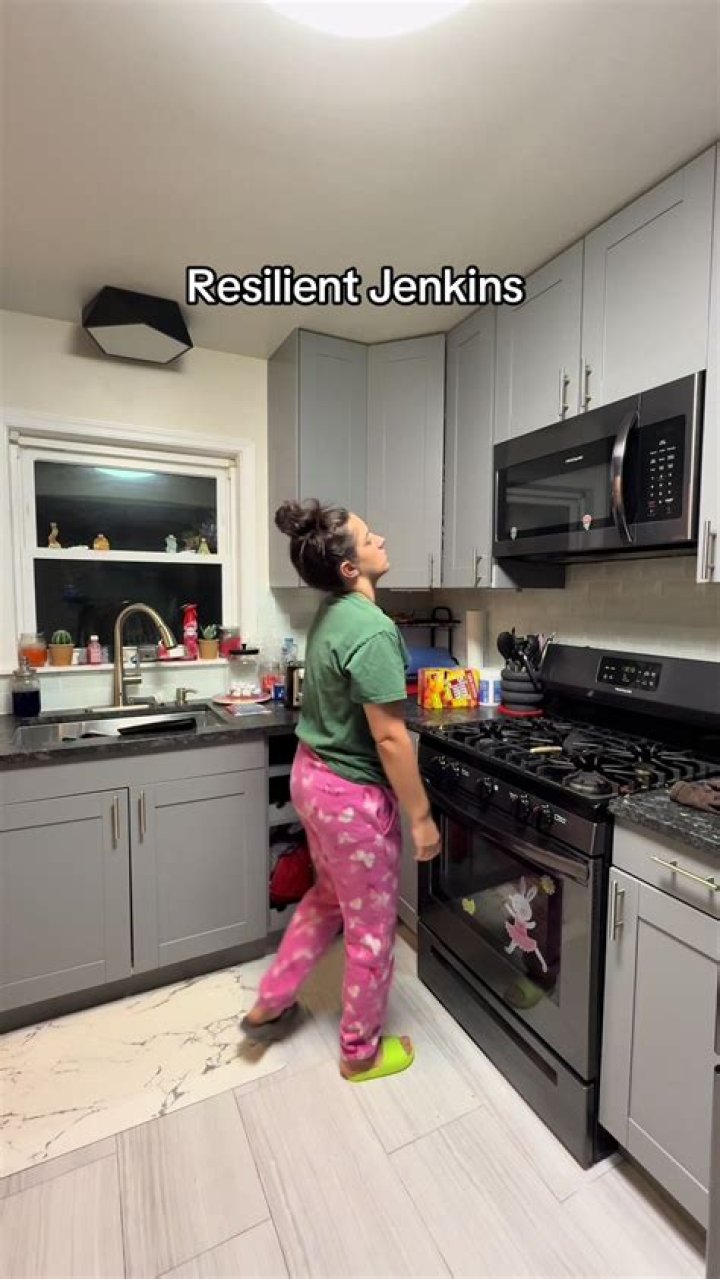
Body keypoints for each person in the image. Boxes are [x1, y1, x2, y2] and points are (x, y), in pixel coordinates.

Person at [242, 500, 441, 1081]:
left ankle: (270, 1003)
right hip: (351, 797)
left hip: (312, 776)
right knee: (372, 932)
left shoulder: (332, 612)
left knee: (326, 899)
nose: (381, 538)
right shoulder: (373, 629)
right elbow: (391, 739)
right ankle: (360, 1053)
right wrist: (421, 816)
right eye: (368, 536)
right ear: (350, 568)